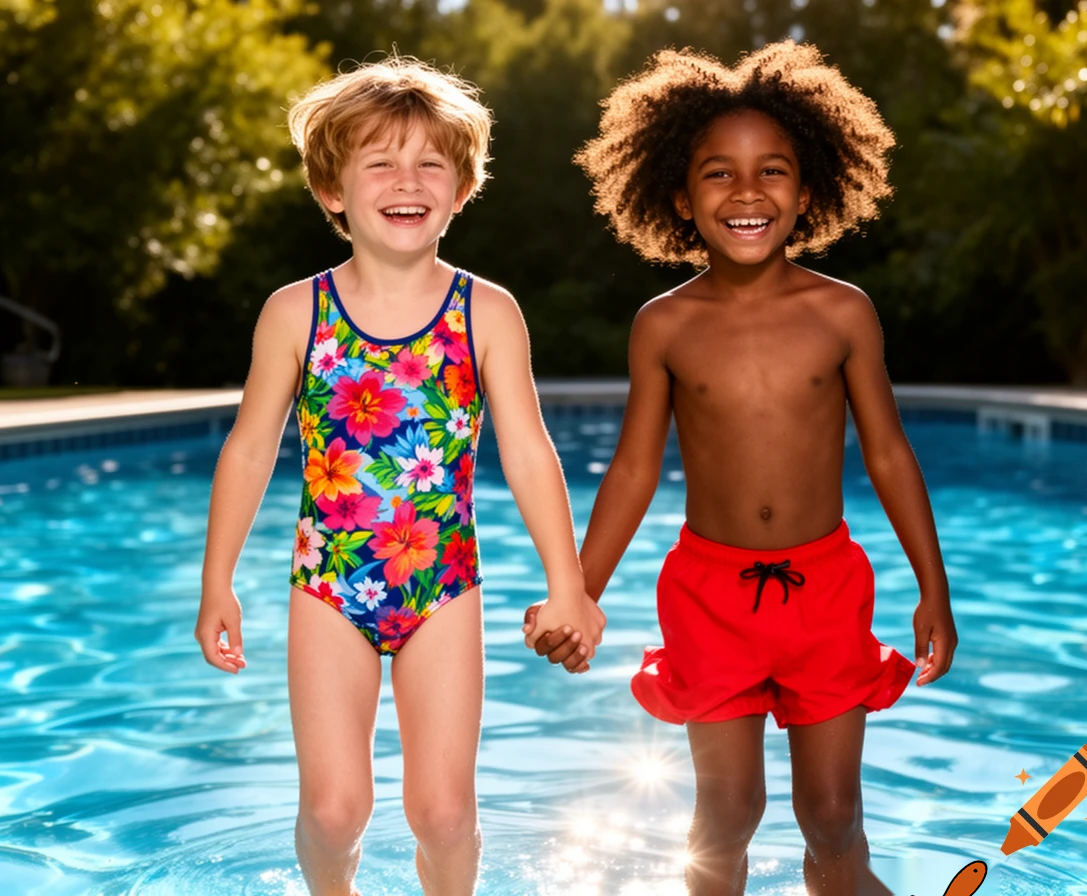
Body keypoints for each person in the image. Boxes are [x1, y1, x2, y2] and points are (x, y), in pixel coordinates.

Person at [524, 42, 957, 895]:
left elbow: (889, 454)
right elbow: (634, 474)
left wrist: (931, 586)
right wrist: (579, 589)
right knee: (724, 822)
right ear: (681, 199)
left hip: (827, 592)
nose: (748, 193)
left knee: (833, 821)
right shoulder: (664, 325)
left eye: (774, 172)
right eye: (720, 174)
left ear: (809, 191)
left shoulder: (843, 313)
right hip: (708, 599)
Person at [194, 57, 604, 896]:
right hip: (328, 586)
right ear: (333, 191)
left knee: (445, 813)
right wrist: (217, 581)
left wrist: (569, 584)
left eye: (430, 164)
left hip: (442, 590)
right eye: (379, 161)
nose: (406, 180)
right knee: (336, 810)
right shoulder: (295, 312)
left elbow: (528, 450)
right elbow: (247, 448)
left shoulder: (484, 311)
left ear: (460, 189)